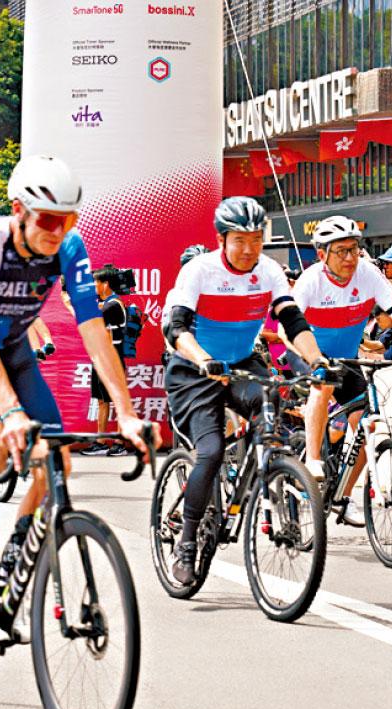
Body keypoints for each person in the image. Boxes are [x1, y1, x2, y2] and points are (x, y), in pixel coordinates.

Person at [0, 155, 154, 646]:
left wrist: (129, 415)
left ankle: (11, 563)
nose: (59, 230)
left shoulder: (68, 246)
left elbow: (95, 334)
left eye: (68, 219)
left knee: (58, 460)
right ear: (18, 210)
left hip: (15, 351)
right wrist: (10, 415)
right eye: (49, 219)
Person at [163, 196, 327, 584]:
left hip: (240, 363)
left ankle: (270, 486)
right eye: (240, 240)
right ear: (222, 239)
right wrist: (203, 359)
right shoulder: (199, 271)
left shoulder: (268, 270)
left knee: (271, 409)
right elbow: (177, 328)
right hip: (194, 369)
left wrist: (317, 362)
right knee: (211, 450)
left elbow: (292, 320)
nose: (249, 248)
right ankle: (186, 542)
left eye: (256, 238)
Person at [294, 215, 392, 526]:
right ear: (322, 254)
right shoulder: (311, 281)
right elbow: (287, 328)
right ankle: (314, 461)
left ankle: (343, 497)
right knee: (323, 385)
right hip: (310, 355)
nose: (350, 257)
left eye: (354, 249)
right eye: (341, 251)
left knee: (367, 427)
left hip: (347, 358)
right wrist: (313, 358)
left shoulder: (368, 274)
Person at [81, 263, 133, 456]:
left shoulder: (113, 305)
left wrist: (69, 301)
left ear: (105, 284)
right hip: (100, 358)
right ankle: (101, 441)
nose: (93, 286)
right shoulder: (105, 303)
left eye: (95, 282)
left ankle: (120, 444)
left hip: (112, 360)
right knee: (103, 401)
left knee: (117, 401)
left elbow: (87, 318)